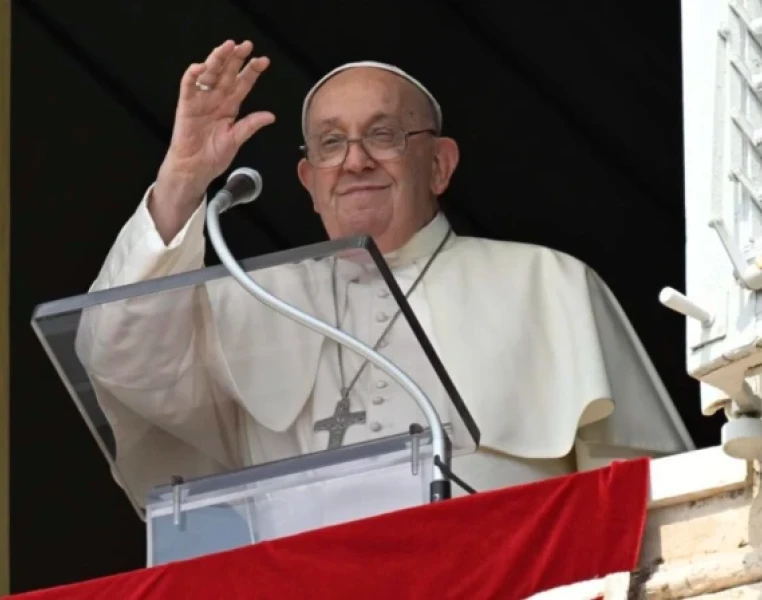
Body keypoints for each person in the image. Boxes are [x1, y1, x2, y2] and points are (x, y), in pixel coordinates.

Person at [74, 40, 694, 509]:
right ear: (309, 181)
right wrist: (183, 179)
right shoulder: (255, 302)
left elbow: (651, 500)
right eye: (330, 144)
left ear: (439, 165)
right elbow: (118, 358)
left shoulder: (549, 284)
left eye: (383, 134)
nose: (356, 161)